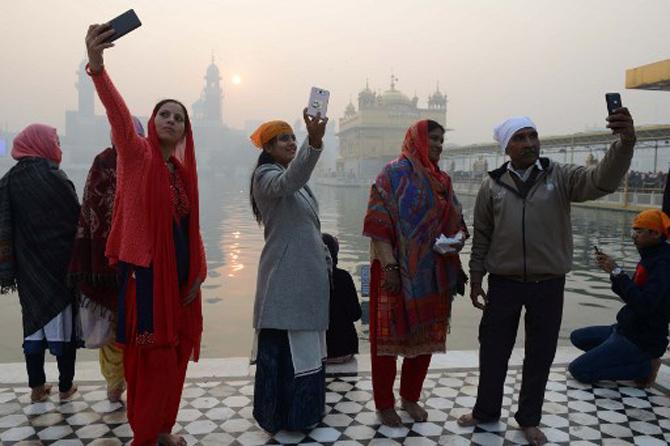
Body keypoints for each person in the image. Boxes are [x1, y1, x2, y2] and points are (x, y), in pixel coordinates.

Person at [460, 109, 637, 446]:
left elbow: (602, 180)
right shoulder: (492, 184)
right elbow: (482, 235)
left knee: (540, 354)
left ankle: (529, 419)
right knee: (493, 351)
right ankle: (485, 410)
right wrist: (476, 277)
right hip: (504, 283)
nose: (529, 143)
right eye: (520, 138)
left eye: (532, 136)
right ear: (506, 147)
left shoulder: (561, 176)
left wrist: (624, 143)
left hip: (548, 283)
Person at [86, 24, 207, 446]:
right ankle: (144, 433)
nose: (171, 120)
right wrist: (98, 67)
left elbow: (190, 228)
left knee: (174, 356)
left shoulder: (181, 172)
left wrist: (196, 275)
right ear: (152, 122)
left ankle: (160, 428)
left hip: (178, 279)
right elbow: (119, 115)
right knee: (150, 357)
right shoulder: (136, 155)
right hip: (145, 276)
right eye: (164, 114)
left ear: (185, 131)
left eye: (178, 117)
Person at [363, 120, 467, 427]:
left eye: (441, 140)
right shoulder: (392, 175)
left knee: (424, 338)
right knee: (387, 341)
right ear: (417, 140)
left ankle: (410, 397)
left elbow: (457, 221)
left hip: (433, 272)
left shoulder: (443, 181)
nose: (438, 145)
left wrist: (457, 239)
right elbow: (377, 226)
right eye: (432, 139)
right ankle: (384, 403)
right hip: (394, 271)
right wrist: (391, 266)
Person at [249, 114, 329, 434]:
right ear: (268, 148)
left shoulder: (297, 181)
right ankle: (280, 416)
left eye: (293, 137)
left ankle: (304, 414)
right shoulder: (266, 177)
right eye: (283, 139)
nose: (291, 142)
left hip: (306, 279)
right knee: (285, 351)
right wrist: (315, 142)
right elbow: (289, 181)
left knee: (306, 350)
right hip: (284, 280)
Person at [0, 124, 80, 402]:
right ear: (42, 143)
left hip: (27, 270)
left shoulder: (9, 180)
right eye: (54, 140)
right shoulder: (54, 178)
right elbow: (76, 220)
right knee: (63, 328)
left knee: (33, 327)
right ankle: (65, 387)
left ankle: (36, 388)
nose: (57, 144)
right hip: (59, 267)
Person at [67, 117, 145, 403]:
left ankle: (115, 384)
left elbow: (88, 210)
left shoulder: (103, 161)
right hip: (136, 264)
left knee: (113, 327)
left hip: (104, 264)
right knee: (136, 325)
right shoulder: (145, 162)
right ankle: (134, 383)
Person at [568, 209, 670, 387]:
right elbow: (632, 296)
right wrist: (614, 274)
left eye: (639, 231)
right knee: (578, 337)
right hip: (625, 328)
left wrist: (617, 272)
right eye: (634, 231)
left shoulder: (663, 264)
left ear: (655, 233)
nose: (634, 236)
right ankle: (621, 356)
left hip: (641, 339)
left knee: (579, 370)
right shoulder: (650, 256)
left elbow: (644, 305)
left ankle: (645, 367)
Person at [321, 233, 362, 364]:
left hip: (318, 352)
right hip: (345, 349)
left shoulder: (309, 280)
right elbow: (356, 314)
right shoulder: (344, 277)